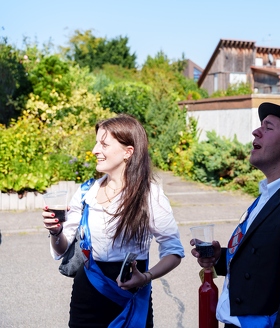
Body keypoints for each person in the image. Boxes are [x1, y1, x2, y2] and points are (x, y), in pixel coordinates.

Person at [190, 91, 280, 327]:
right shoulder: (270, 194)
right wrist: (221, 258)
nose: (256, 132)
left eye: (268, 127)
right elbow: (265, 263)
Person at [42, 114, 184, 327]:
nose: (95, 150)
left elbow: (173, 252)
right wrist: (55, 231)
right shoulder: (85, 192)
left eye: (104, 144)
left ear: (128, 152)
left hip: (131, 296)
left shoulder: (149, 195)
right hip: (86, 295)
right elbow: (62, 249)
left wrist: (145, 277)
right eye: (97, 142)